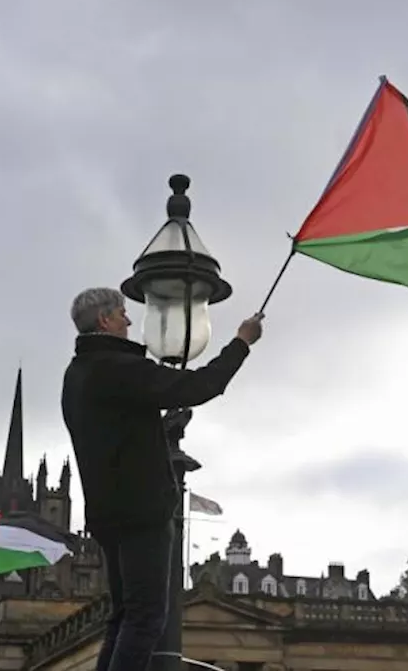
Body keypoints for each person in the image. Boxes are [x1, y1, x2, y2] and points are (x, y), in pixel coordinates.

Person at [61, 287, 264, 671]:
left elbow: (115, 429)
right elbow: (203, 386)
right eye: (122, 313)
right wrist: (241, 342)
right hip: (141, 511)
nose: (129, 320)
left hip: (105, 513)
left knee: (123, 616)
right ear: (105, 320)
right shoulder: (120, 367)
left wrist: (156, 427)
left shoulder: (77, 374)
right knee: (146, 618)